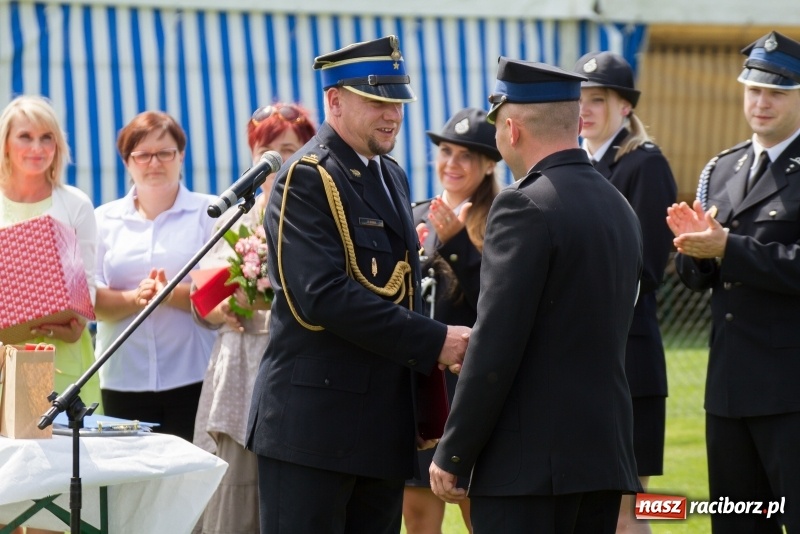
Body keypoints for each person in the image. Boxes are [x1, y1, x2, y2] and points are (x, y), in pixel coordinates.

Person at [245, 35, 470, 534]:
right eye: (376, 101)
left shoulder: (390, 175)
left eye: (397, 102)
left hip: (379, 428)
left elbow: (401, 287)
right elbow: (322, 296)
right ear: (335, 101)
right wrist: (437, 341)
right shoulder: (306, 177)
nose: (391, 115)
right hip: (314, 428)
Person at [429, 57, 644, 534]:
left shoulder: (522, 203)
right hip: (600, 456)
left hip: (528, 467)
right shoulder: (618, 206)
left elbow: (497, 343)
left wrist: (455, 449)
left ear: (513, 129)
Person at [666, 31, 800, 534]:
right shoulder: (722, 168)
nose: (761, 102)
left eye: (778, 92)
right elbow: (696, 278)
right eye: (753, 89)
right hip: (728, 388)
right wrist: (694, 253)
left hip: (791, 391)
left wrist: (729, 249)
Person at [191, 102, 317, 534]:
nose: (276, 159)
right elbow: (203, 296)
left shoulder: (314, 212)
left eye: (288, 148)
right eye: (266, 149)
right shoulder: (233, 213)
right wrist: (217, 308)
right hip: (239, 359)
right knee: (233, 484)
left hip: (291, 359)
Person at [572, 51, 677, 534]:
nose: (585, 110)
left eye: (599, 99)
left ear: (625, 108)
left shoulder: (644, 164)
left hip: (628, 356)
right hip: (588, 358)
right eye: (579, 99)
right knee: (588, 501)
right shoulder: (577, 164)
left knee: (628, 504)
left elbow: (649, 265)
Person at [0, 95, 101, 534]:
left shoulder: (74, 203)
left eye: (47, 138)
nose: (37, 147)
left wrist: (75, 314)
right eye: (25, 136)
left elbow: (89, 289)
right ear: (6, 144)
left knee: (53, 503)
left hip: (61, 364)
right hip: (3, 365)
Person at [404, 107, 501, 534]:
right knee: (418, 517)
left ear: (488, 164)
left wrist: (459, 244)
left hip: (467, 394)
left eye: (467, 155)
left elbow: (499, 305)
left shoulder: (502, 217)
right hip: (419, 392)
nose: (452, 164)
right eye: (446, 151)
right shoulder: (416, 213)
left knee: (477, 513)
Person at [94, 110, 217, 442]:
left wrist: (171, 294)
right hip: (122, 377)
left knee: (192, 482)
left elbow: (220, 298)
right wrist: (135, 299)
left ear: (181, 156)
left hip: (194, 374)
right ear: (127, 162)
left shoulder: (211, 213)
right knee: (132, 487)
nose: (154, 163)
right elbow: (90, 300)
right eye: (143, 154)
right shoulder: (103, 219)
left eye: (165, 152)